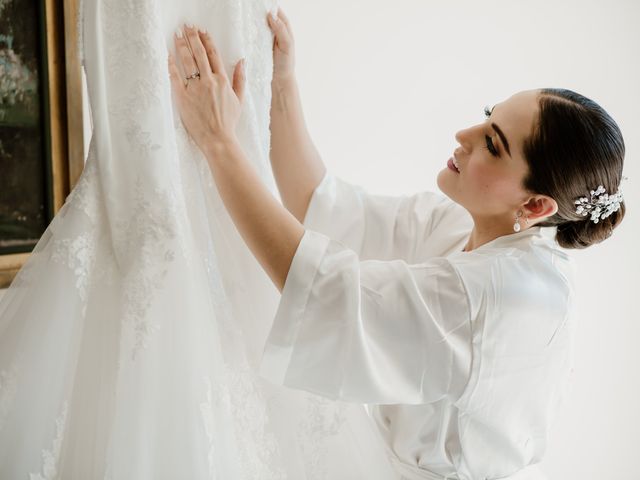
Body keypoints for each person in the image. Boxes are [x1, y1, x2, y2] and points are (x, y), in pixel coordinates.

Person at [168, 8, 627, 480]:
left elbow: (325, 292)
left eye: (492, 144)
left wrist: (218, 142)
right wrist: (282, 85)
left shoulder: (498, 298)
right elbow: (325, 208)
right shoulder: (472, 225)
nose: (463, 135)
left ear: (535, 206)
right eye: (488, 116)